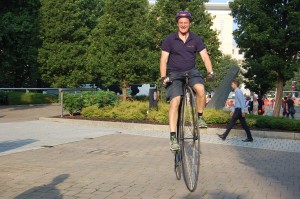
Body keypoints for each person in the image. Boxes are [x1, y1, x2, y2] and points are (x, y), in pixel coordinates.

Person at [160, 11, 214, 151]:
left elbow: (205, 56)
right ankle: (173, 137)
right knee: (175, 100)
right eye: (181, 22)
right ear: (178, 24)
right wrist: (163, 76)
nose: (183, 25)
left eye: (186, 22)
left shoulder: (196, 39)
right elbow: (163, 59)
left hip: (191, 71)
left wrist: (210, 72)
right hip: (174, 73)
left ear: (189, 24)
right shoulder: (170, 39)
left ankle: (200, 116)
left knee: (201, 90)